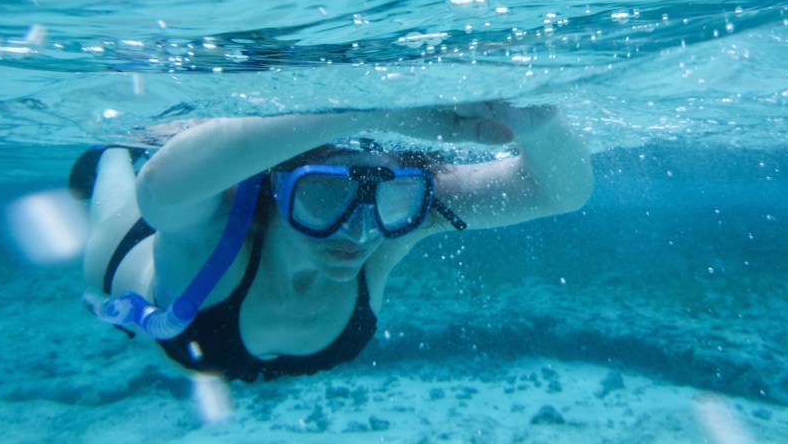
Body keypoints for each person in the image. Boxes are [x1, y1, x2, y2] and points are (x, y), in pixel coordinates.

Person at [74, 102, 592, 382]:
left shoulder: (404, 212)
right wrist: (371, 113)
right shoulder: (217, 224)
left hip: (203, 326)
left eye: (389, 204)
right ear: (276, 190)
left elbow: (556, 193)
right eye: (322, 198)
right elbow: (161, 191)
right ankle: (112, 149)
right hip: (129, 249)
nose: (359, 231)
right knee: (113, 169)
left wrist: (538, 123)